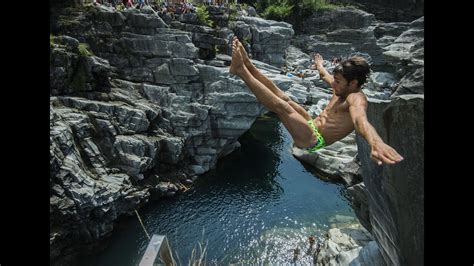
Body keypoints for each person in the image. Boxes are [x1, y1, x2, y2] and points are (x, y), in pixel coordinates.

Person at [229, 37, 403, 165]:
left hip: (312, 139)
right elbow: (324, 75)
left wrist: (376, 142)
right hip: (311, 124)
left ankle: (241, 70)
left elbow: (361, 122)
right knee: (284, 98)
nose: (333, 84)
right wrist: (319, 64)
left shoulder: (356, 98)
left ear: (354, 83)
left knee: (281, 107)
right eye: (335, 79)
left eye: (338, 81)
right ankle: (248, 64)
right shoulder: (340, 87)